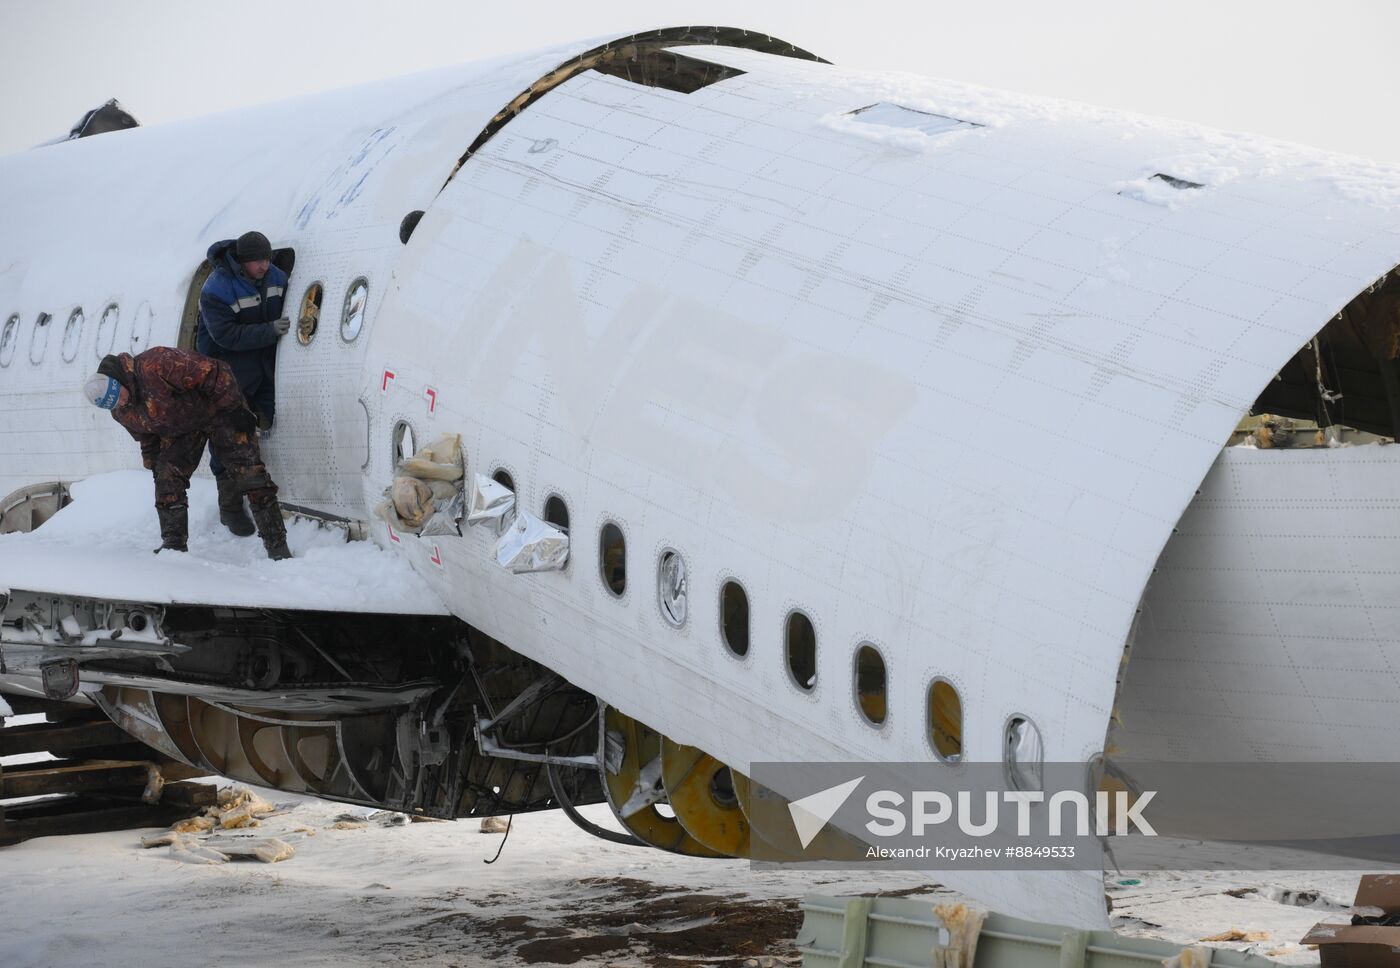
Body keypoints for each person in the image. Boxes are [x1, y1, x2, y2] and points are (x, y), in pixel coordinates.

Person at [83, 348, 292, 560]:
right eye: (113, 404)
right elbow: (146, 436)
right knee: (166, 478)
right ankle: (174, 546)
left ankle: (277, 545)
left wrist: (235, 409)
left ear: (119, 381)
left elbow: (216, 372)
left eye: (118, 396)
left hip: (219, 410)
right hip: (184, 429)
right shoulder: (121, 411)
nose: (120, 403)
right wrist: (154, 463)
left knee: (249, 473)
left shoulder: (156, 364)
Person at [195, 230, 291, 536]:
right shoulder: (217, 289)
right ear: (242, 261)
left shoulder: (275, 277)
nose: (264, 266)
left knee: (274, 418)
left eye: (267, 259)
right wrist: (270, 331)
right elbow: (226, 336)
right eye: (257, 261)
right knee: (228, 437)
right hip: (226, 372)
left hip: (263, 365)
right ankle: (230, 507)